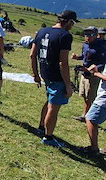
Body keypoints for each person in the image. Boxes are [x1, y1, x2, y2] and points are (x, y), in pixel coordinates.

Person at [30, 10, 78, 147]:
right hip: (57, 76)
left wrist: (36, 74)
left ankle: (41, 126)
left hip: (45, 72)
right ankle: (48, 137)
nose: (72, 26)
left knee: (49, 101)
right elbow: (63, 62)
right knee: (53, 107)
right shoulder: (65, 36)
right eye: (72, 23)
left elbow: (32, 55)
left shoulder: (41, 31)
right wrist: (68, 85)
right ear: (68, 21)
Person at [71, 26, 106, 121]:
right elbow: (84, 56)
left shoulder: (100, 46)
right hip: (84, 73)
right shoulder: (85, 45)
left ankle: (87, 116)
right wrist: (77, 57)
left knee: (90, 97)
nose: (87, 37)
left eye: (90, 34)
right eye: (86, 34)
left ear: (96, 35)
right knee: (84, 95)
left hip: (93, 76)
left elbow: (105, 62)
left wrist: (96, 68)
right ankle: (86, 114)